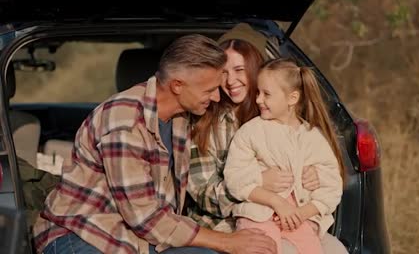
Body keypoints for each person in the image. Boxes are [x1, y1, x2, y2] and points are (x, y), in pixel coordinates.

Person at [33, 34, 277, 254]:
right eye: (210, 90)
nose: (216, 97)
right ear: (177, 86)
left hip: (140, 235)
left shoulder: (183, 113)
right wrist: (227, 241)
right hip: (82, 233)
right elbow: (145, 217)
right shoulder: (124, 123)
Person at [188, 23, 348, 253]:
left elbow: (329, 175)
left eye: (239, 70)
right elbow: (202, 193)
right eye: (224, 72)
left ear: (256, 69)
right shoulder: (207, 124)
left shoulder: (284, 117)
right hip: (225, 226)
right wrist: (259, 182)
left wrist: (313, 175)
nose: (230, 80)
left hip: (293, 220)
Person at [223, 58, 344, 254]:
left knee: (313, 249)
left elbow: (333, 185)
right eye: (258, 92)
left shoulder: (312, 137)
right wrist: (276, 201)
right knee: (264, 248)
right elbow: (235, 178)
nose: (258, 99)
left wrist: (302, 213)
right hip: (258, 215)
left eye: (266, 94)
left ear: (292, 98)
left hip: (297, 219)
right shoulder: (251, 132)